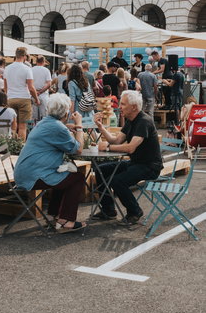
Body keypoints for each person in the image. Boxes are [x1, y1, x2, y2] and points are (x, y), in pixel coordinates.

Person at [12, 93, 87, 232]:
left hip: (23, 173)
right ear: (65, 112)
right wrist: (79, 125)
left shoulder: (44, 123)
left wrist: (67, 127)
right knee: (77, 178)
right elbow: (79, 149)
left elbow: (56, 133)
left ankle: (56, 215)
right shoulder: (58, 127)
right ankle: (66, 221)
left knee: (65, 173)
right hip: (33, 177)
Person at [91, 90, 163, 224]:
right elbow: (116, 140)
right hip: (136, 163)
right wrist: (100, 127)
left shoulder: (143, 121)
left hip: (150, 166)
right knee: (101, 170)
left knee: (118, 181)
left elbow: (130, 147)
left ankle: (135, 211)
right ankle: (108, 210)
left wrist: (107, 147)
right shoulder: (131, 120)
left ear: (134, 107)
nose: (119, 107)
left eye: (123, 104)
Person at [4, 47, 39, 140]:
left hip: (10, 98)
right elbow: (31, 88)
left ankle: (12, 146)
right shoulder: (27, 69)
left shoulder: (7, 68)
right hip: (24, 98)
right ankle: (20, 148)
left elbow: (5, 87)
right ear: (24, 56)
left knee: (13, 126)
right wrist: (36, 99)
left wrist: (8, 96)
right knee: (23, 126)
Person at [31, 55, 53, 123]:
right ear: (43, 62)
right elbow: (49, 84)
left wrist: (36, 92)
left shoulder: (31, 69)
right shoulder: (46, 70)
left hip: (33, 94)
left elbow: (28, 83)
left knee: (34, 116)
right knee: (44, 116)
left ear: (36, 61)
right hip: (43, 95)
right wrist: (40, 92)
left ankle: (34, 130)